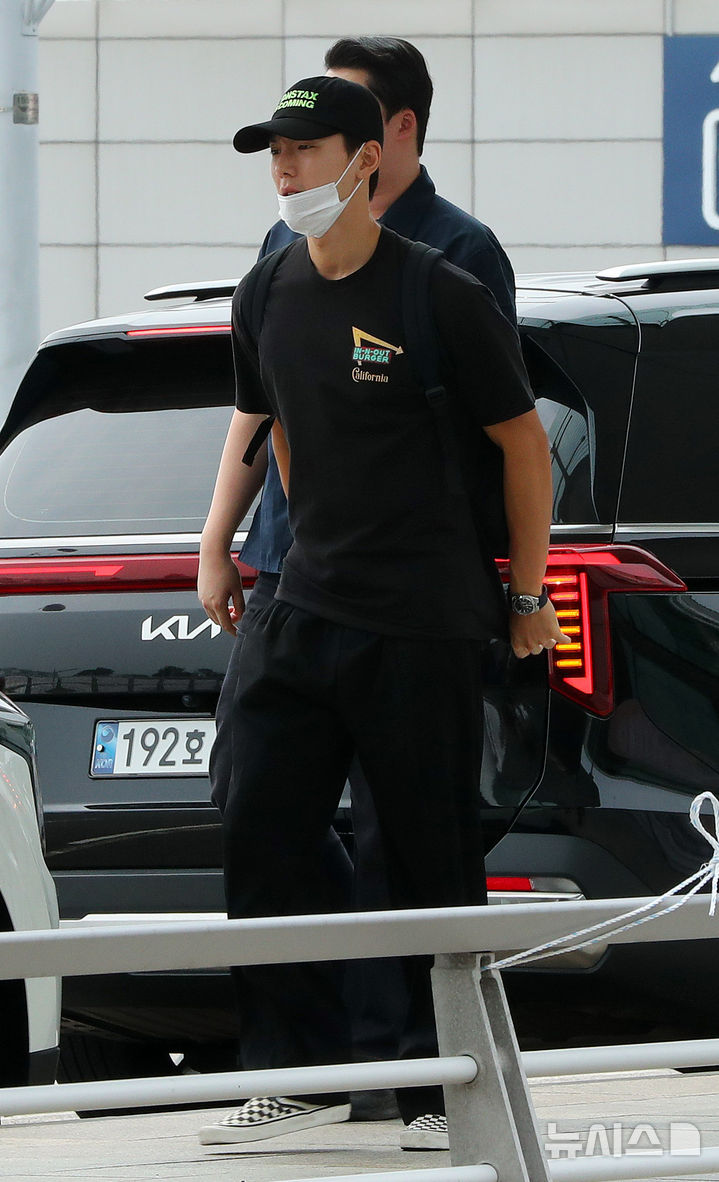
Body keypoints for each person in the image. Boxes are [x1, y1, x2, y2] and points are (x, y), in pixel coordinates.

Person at [197, 74, 568, 1152]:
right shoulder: (267, 287)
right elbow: (264, 420)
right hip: (301, 603)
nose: (284, 171)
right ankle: (298, 1071)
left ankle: (430, 1083)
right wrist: (218, 543)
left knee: (419, 850)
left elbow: (522, 446)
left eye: (304, 151)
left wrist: (527, 595)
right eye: (274, 154)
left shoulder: (436, 291)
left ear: (364, 160)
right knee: (260, 819)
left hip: (421, 617)